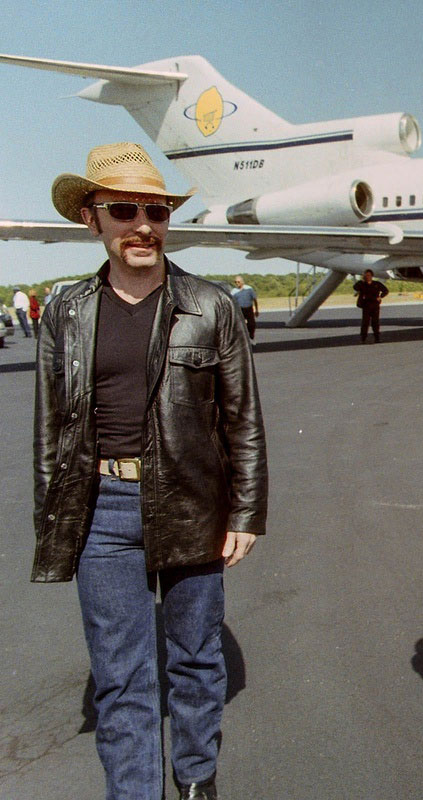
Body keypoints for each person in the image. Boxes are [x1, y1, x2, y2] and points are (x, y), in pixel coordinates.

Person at [34, 141, 268, 800]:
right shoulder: (66, 312)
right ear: (92, 218)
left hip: (194, 501)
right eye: (125, 210)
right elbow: (50, 431)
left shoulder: (211, 306)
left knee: (195, 658)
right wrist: (55, 517)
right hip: (101, 511)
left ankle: (195, 779)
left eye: (157, 211)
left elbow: (242, 420)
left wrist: (245, 513)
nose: (144, 225)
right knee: (121, 675)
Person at [353, 268, 388, 343]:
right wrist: (362, 280)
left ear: (372, 276)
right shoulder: (362, 284)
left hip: (375, 305)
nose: (367, 277)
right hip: (366, 305)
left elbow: (385, 290)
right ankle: (363, 339)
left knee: (375, 322)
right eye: (366, 275)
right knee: (365, 322)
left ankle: (377, 338)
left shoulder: (376, 284)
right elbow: (355, 287)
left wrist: (380, 297)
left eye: (369, 275)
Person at [231, 274, 259, 339]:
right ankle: (243, 339)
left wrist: (257, 310)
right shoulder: (234, 291)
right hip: (240, 310)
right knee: (240, 325)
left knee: (251, 324)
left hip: (248, 308)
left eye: (238, 282)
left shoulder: (249, 289)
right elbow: (231, 301)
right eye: (235, 282)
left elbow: (254, 299)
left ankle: (251, 335)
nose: (237, 283)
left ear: (242, 282)